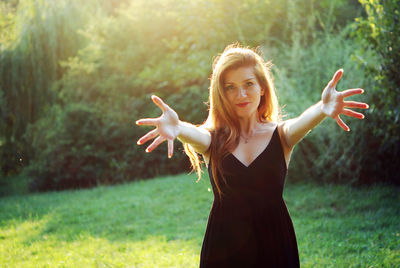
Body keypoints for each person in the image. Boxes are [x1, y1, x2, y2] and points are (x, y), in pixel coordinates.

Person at [135, 44, 368, 267]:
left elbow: (300, 123)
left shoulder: (281, 136)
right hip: (223, 246)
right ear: (221, 93)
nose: (241, 94)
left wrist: (322, 108)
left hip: (274, 243)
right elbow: (195, 134)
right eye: (230, 87)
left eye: (249, 84)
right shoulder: (213, 140)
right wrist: (178, 128)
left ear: (262, 88)